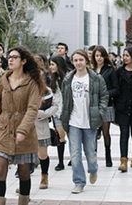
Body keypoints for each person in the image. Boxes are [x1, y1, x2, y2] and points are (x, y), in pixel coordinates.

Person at [0, 46, 47, 205]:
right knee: (0, 169)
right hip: (3, 130)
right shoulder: (2, 80)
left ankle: (23, 201)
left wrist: (23, 130)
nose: (10, 60)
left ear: (23, 61)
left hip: (24, 135)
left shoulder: (32, 82)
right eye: (9, 57)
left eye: (14, 57)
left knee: (24, 173)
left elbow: (33, 109)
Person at [60, 49, 108, 194]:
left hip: (90, 121)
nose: (78, 63)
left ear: (86, 61)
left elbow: (104, 96)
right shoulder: (68, 79)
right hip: (73, 121)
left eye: (81, 60)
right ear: (72, 62)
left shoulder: (95, 78)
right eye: (75, 60)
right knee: (75, 154)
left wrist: (100, 113)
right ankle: (79, 182)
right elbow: (64, 99)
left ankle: (93, 170)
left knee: (91, 154)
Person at [91, 45, 119, 167]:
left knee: (105, 131)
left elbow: (116, 89)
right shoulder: (91, 71)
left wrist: (105, 94)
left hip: (106, 105)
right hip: (93, 106)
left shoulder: (110, 70)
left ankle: (108, 155)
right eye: (97, 56)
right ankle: (94, 156)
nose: (99, 58)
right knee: (93, 133)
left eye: (101, 56)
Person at [49, 55, 71, 171]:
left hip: (69, 111)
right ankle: (61, 162)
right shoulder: (52, 79)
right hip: (57, 112)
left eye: (53, 64)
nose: (50, 67)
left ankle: (73, 157)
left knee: (70, 135)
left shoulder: (69, 77)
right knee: (60, 135)